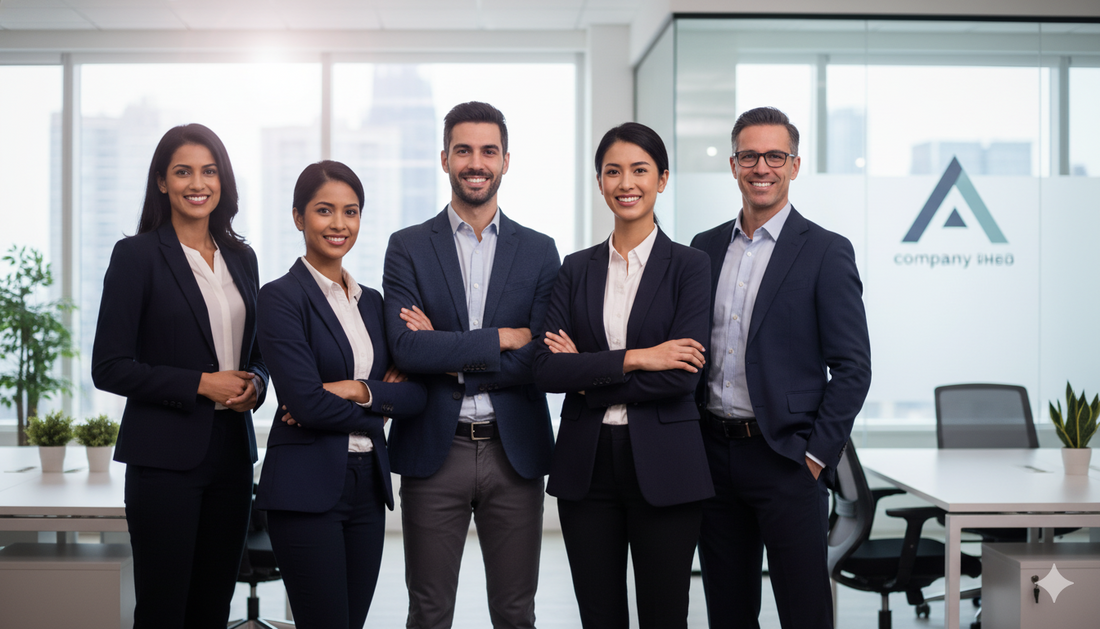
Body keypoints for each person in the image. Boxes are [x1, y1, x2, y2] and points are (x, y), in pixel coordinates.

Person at [691, 106, 872, 629]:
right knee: (727, 611)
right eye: (749, 156)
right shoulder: (704, 248)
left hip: (787, 460)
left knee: (804, 612)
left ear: (794, 165)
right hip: (714, 458)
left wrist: (814, 457)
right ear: (733, 165)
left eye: (775, 156)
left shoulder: (825, 251)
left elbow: (853, 367)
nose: (761, 167)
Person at [381, 101, 561, 629]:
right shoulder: (408, 247)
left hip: (514, 451)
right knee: (429, 612)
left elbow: (538, 359)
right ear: (444, 159)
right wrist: (500, 339)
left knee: (515, 612)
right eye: (463, 150)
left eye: (488, 151)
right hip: (436, 449)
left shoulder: (540, 251)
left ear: (506, 160)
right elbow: (406, 350)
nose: (475, 163)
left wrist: (446, 351)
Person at [532, 122, 714, 629]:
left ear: (662, 179)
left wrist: (586, 374)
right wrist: (638, 357)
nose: (626, 183)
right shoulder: (575, 269)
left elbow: (682, 376)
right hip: (586, 466)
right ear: (599, 182)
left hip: (666, 462)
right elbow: (546, 368)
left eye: (639, 170)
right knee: (599, 616)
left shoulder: (691, 266)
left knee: (664, 616)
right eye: (613, 172)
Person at [91, 123, 269, 628]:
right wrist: (200, 384)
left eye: (209, 171)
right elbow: (109, 367)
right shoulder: (137, 256)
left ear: (222, 180)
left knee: (213, 608)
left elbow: (258, 353)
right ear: (162, 182)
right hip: (163, 461)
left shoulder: (242, 258)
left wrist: (257, 383)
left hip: (231, 456)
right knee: (163, 609)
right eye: (183, 171)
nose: (198, 183)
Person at [254, 160, 427, 628]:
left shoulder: (373, 303)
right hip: (305, 488)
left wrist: (355, 390)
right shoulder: (279, 298)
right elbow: (305, 403)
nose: (339, 224)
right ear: (298, 217)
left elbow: (416, 396)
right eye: (324, 210)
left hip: (367, 487)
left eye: (350, 212)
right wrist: (379, 408)